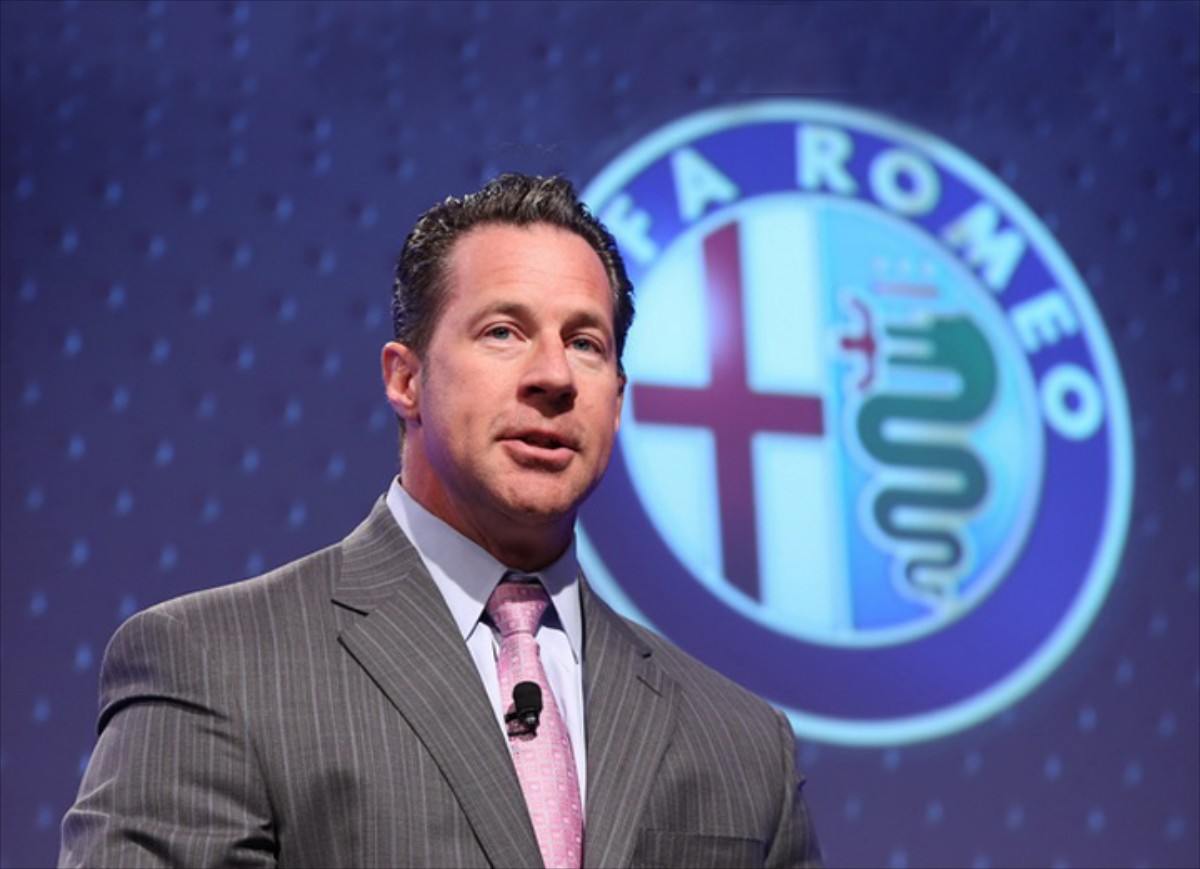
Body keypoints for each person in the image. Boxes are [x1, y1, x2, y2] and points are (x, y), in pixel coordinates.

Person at [59, 173, 823, 868]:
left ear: (616, 401)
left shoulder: (743, 742)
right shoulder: (215, 664)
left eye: (585, 343)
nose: (554, 376)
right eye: (503, 331)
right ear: (405, 378)